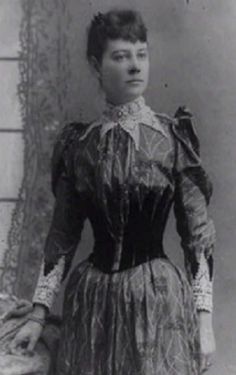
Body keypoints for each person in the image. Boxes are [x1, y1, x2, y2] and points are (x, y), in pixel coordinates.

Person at [10, 8, 216, 375]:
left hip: (155, 302)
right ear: (96, 65)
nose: (135, 66)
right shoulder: (80, 146)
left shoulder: (171, 139)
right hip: (92, 306)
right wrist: (37, 318)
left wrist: (204, 323)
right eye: (121, 57)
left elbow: (198, 240)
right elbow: (61, 238)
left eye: (141, 54)